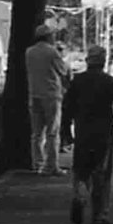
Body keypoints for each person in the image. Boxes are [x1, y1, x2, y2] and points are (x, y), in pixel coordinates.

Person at [61, 45, 113, 224]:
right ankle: (99, 215)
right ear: (103, 60)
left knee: (81, 171)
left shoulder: (78, 81)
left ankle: (80, 195)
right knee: (102, 175)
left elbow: (67, 107)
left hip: (83, 132)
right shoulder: (109, 81)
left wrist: (66, 131)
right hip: (104, 133)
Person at [24, 22, 71, 177]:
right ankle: (51, 165)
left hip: (34, 93)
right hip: (51, 94)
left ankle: (37, 163)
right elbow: (63, 70)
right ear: (48, 36)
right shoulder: (52, 52)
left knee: (36, 133)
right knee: (52, 132)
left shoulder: (29, 52)